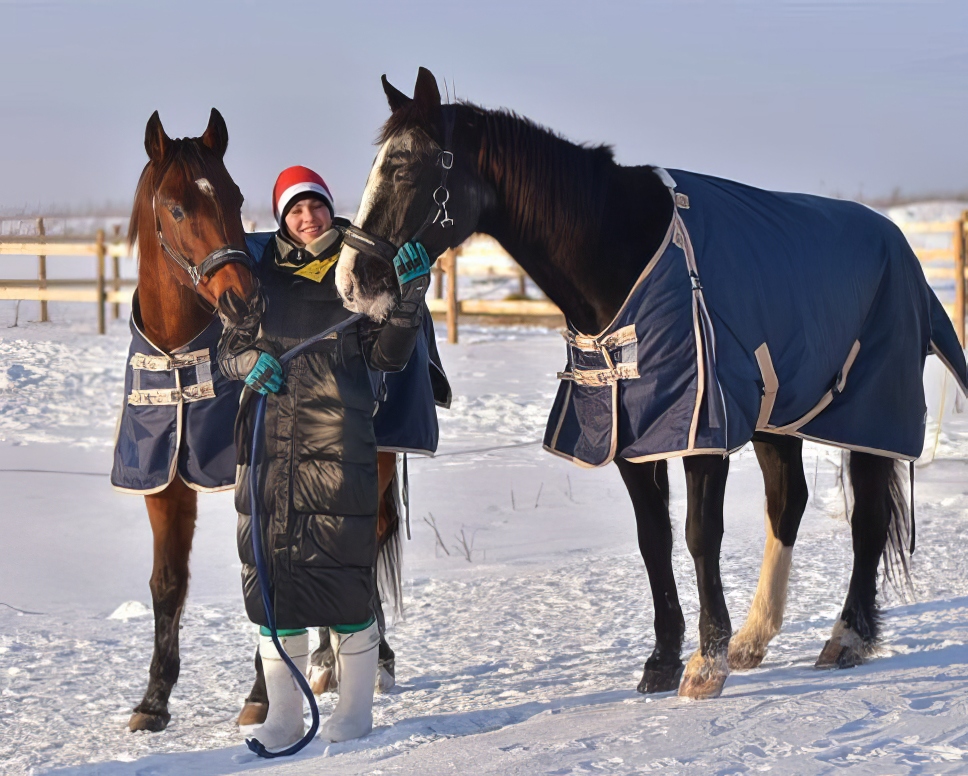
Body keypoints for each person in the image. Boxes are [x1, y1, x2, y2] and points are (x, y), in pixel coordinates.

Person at [217, 166, 436, 749]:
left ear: (329, 208)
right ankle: (285, 716)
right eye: (294, 210)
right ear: (282, 219)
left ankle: (353, 714)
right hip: (268, 449)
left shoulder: (358, 274)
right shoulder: (260, 277)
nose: (306, 218)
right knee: (272, 586)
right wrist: (243, 364)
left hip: (339, 443)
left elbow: (387, 355)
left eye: (314, 206)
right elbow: (230, 345)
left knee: (343, 580)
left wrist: (408, 298)